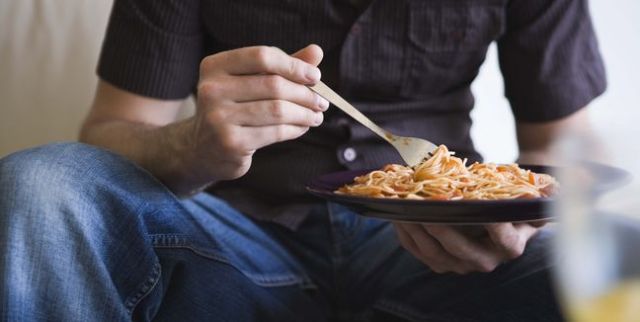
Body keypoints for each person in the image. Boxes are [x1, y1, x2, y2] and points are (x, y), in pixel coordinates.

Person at [0, 0, 606, 321]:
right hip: (229, 248)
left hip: (437, 246)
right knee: (41, 183)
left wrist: (516, 218)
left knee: (601, 258)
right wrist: (193, 146)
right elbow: (111, 129)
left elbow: (559, 150)